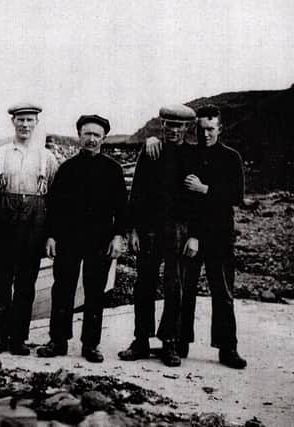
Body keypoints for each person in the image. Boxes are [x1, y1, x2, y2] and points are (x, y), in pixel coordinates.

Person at [36, 114, 127, 363]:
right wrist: (51, 236)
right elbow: (53, 207)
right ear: (79, 136)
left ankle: (91, 345)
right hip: (68, 239)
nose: (91, 139)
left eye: (97, 135)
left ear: (104, 138)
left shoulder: (113, 170)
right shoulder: (67, 169)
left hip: (100, 241)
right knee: (62, 289)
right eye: (87, 134)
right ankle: (58, 340)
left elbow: (122, 209)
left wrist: (118, 236)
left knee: (95, 292)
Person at [118, 105, 196, 362]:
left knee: (175, 285)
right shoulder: (151, 151)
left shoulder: (193, 155)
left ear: (186, 128)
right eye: (169, 125)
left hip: (178, 229)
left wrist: (194, 235)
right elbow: (137, 193)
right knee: (144, 284)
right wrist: (133, 231)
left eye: (179, 126)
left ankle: (170, 342)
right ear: (162, 126)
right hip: (149, 228)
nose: (173, 130)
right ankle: (141, 340)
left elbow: (199, 204)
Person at [0, 103, 58, 356]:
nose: (25, 125)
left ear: (36, 123)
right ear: (13, 122)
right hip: (3, 222)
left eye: (29, 120)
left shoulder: (47, 158)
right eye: (20, 120)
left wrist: (51, 235)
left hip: (34, 223)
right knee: (0, 281)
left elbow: (55, 200)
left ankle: (18, 338)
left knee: (26, 283)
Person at [177, 105, 247, 369]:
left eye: (210, 129)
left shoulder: (231, 157)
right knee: (187, 290)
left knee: (223, 292)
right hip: (192, 236)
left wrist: (204, 188)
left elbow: (236, 196)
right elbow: (185, 200)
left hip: (220, 235)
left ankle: (227, 348)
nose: (205, 134)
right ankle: (180, 342)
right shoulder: (191, 155)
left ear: (220, 128)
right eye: (201, 129)